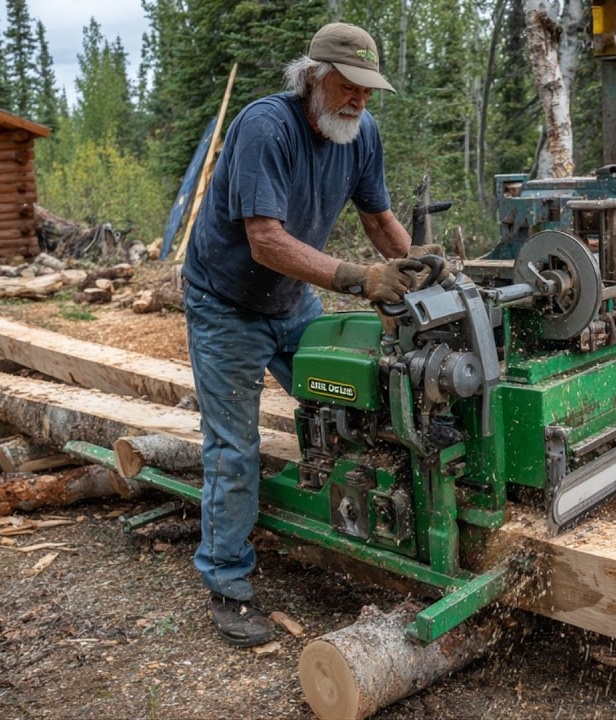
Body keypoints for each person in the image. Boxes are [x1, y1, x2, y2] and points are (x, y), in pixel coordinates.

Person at [182, 22, 437, 648]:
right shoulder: (266, 127)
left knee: (361, 398)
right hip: (226, 305)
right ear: (314, 77)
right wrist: (358, 278)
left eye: (368, 93)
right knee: (233, 450)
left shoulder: (361, 134)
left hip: (292, 299)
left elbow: (378, 219)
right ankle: (228, 584)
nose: (358, 102)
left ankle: (378, 532)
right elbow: (265, 241)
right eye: (348, 87)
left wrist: (425, 282)